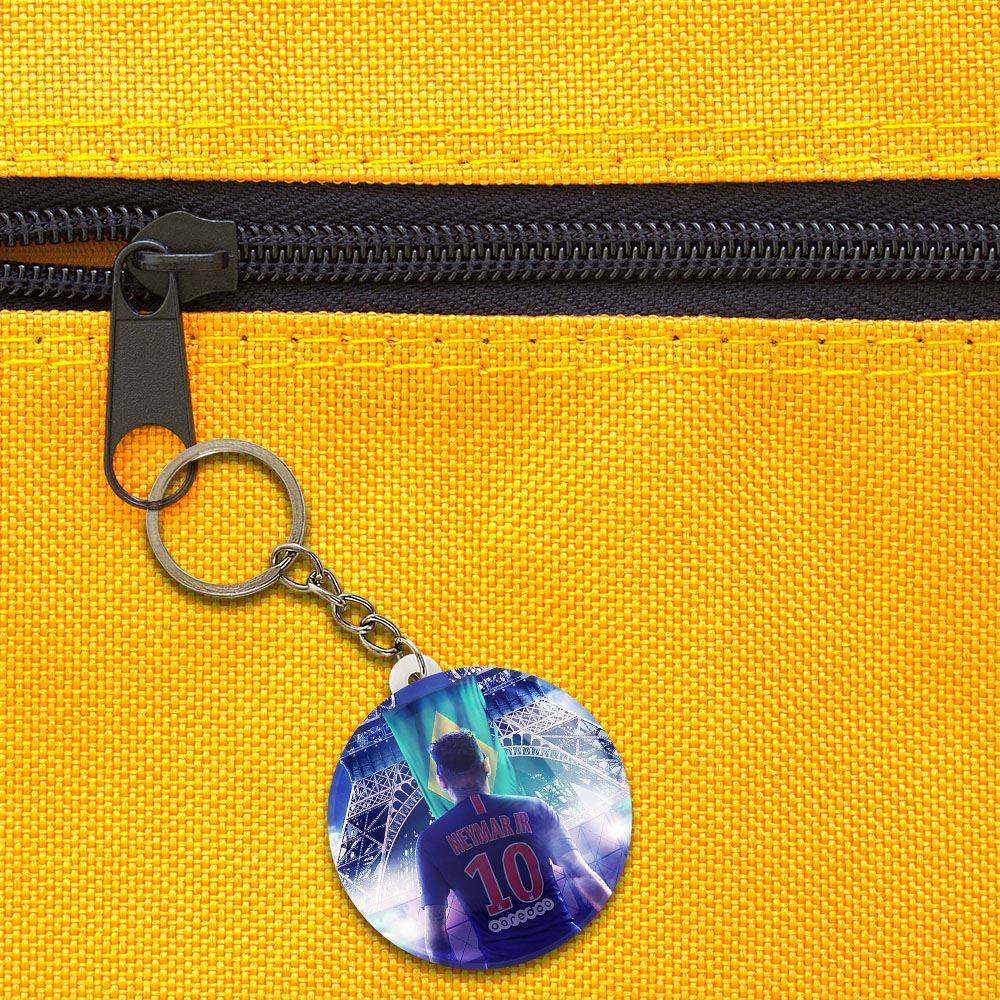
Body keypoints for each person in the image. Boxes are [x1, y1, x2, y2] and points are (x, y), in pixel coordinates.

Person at [416, 729, 611, 967]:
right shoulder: (534, 808)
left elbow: (436, 931)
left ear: (441, 780)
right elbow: (579, 872)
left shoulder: (430, 841)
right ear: (486, 765)